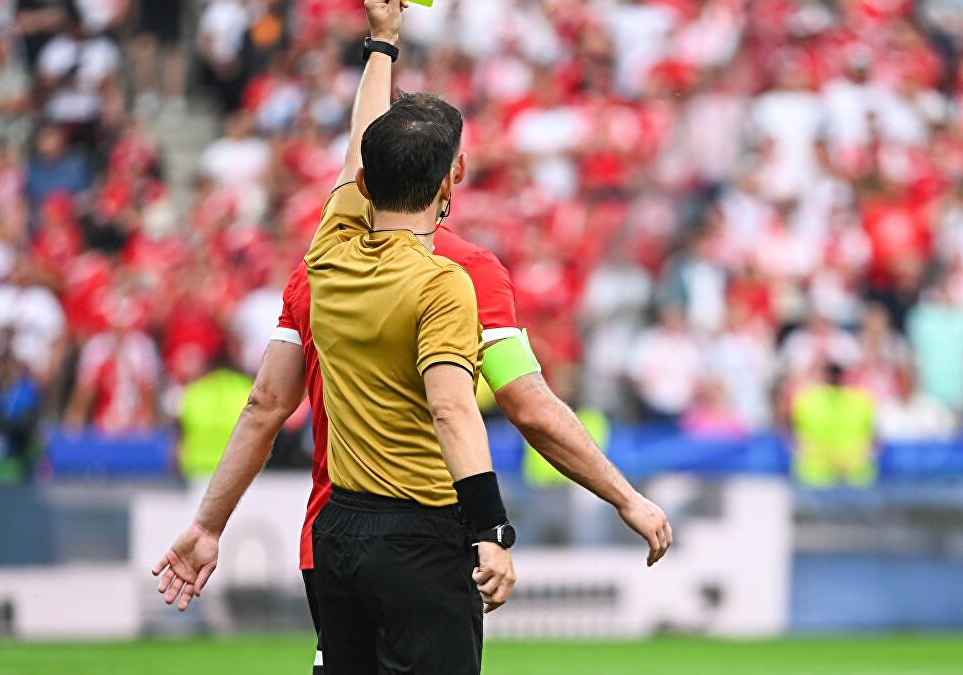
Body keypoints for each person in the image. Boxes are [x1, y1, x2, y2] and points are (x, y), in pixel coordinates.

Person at [151, 3, 670, 674]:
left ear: (364, 180)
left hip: (331, 533)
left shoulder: (323, 258)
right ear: (455, 175)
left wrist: (381, 43)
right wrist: (580, 506)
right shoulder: (462, 277)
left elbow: (264, 405)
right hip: (423, 531)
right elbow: (510, 406)